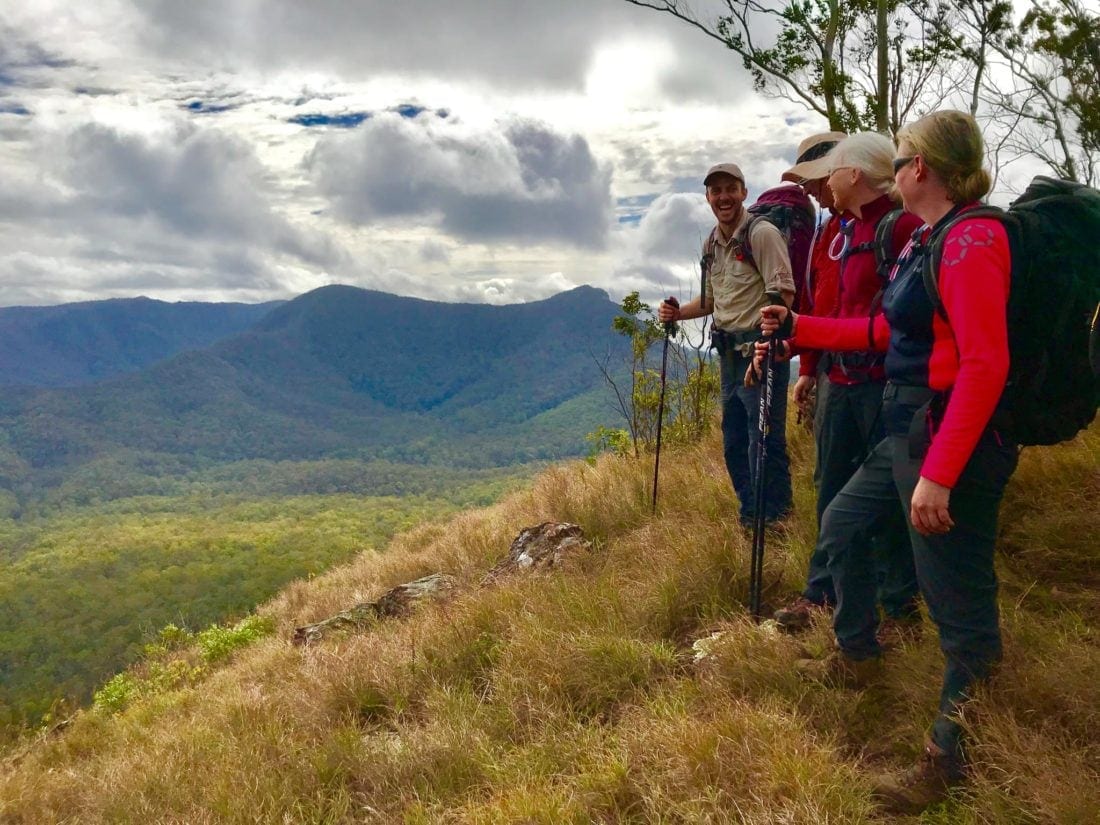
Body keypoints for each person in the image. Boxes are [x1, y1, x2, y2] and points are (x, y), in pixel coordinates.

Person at [758, 110, 1017, 814]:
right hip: (907, 428)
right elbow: (886, 328)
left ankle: (952, 760)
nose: (894, 169)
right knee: (840, 521)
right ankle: (858, 653)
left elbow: (987, 362)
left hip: (944, 441)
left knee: (957, 605)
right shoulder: (930, 243)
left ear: (921, 169)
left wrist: (940, 472)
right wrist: (802, 330)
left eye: (901, 158)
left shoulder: (971, 242)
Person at [772, 133, 923, 639]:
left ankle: (899, 603)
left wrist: (803, 333)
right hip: (839, 380)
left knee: (888, 499)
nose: (818, 187)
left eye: (828, 173)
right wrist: (807, 363)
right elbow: (820, 307)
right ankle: (825, 592)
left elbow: (892, 323)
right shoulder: (832, 232)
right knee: (832, 488)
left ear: (852, 172)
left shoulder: (898, 228)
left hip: (884, 384)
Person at [659, 163, 795, 527]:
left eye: (730, 189)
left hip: (760, 354)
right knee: (734, 442)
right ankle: (751, 517)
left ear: (744, 192)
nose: (723, 197)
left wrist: (766, 346)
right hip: (728, 359)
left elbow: (783, 293)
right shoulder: (712, 244)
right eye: (716, 191)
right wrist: (676, 314)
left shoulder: (762, 234)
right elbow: (710, 301)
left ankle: (776, 521)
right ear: (707, 197)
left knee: (763, 441)